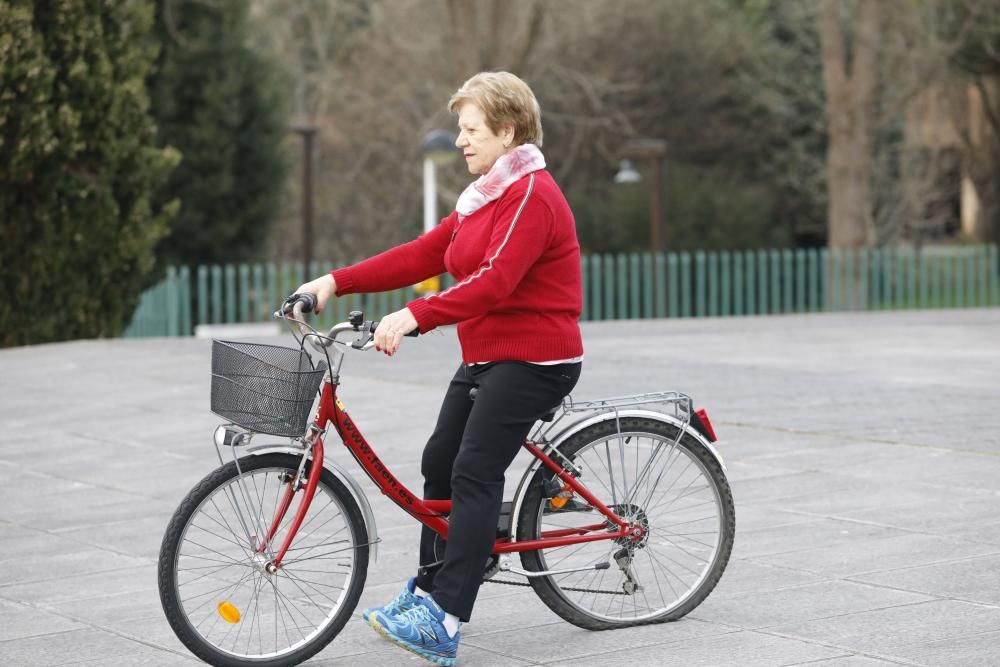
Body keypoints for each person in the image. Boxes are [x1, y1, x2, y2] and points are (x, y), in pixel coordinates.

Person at [294, 71, 583, 666]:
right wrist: (333, 281)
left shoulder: (532, 196)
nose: (460, 140)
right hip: (488, 355)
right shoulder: (484, 198)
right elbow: (425, 254)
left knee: (475, 470)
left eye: (471, 129)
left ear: (507, 132)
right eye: (460, 128)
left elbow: (495, 282)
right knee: (439, 463)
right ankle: (429, 589)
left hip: (536, 358)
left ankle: (447, 618)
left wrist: (414, 316)